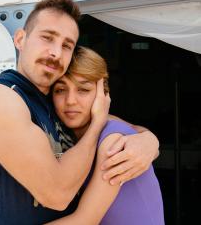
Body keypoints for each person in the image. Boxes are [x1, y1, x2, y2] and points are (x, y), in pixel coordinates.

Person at [0, 0, 159, 224]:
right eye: (47, 38)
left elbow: (125, 128)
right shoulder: (1, 97)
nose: (56, 53)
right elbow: (57, 196)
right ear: (20, 39)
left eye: (66, 45)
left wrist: (150, 141)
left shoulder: (53, 103)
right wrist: (97, 125)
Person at [48, 46, 164, 225]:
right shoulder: (70, 131)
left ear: (103, 94)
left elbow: (85, 220)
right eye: (60, 90)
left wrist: (151, 141)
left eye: (83, 90)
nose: (70, 100)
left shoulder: (113, 142)